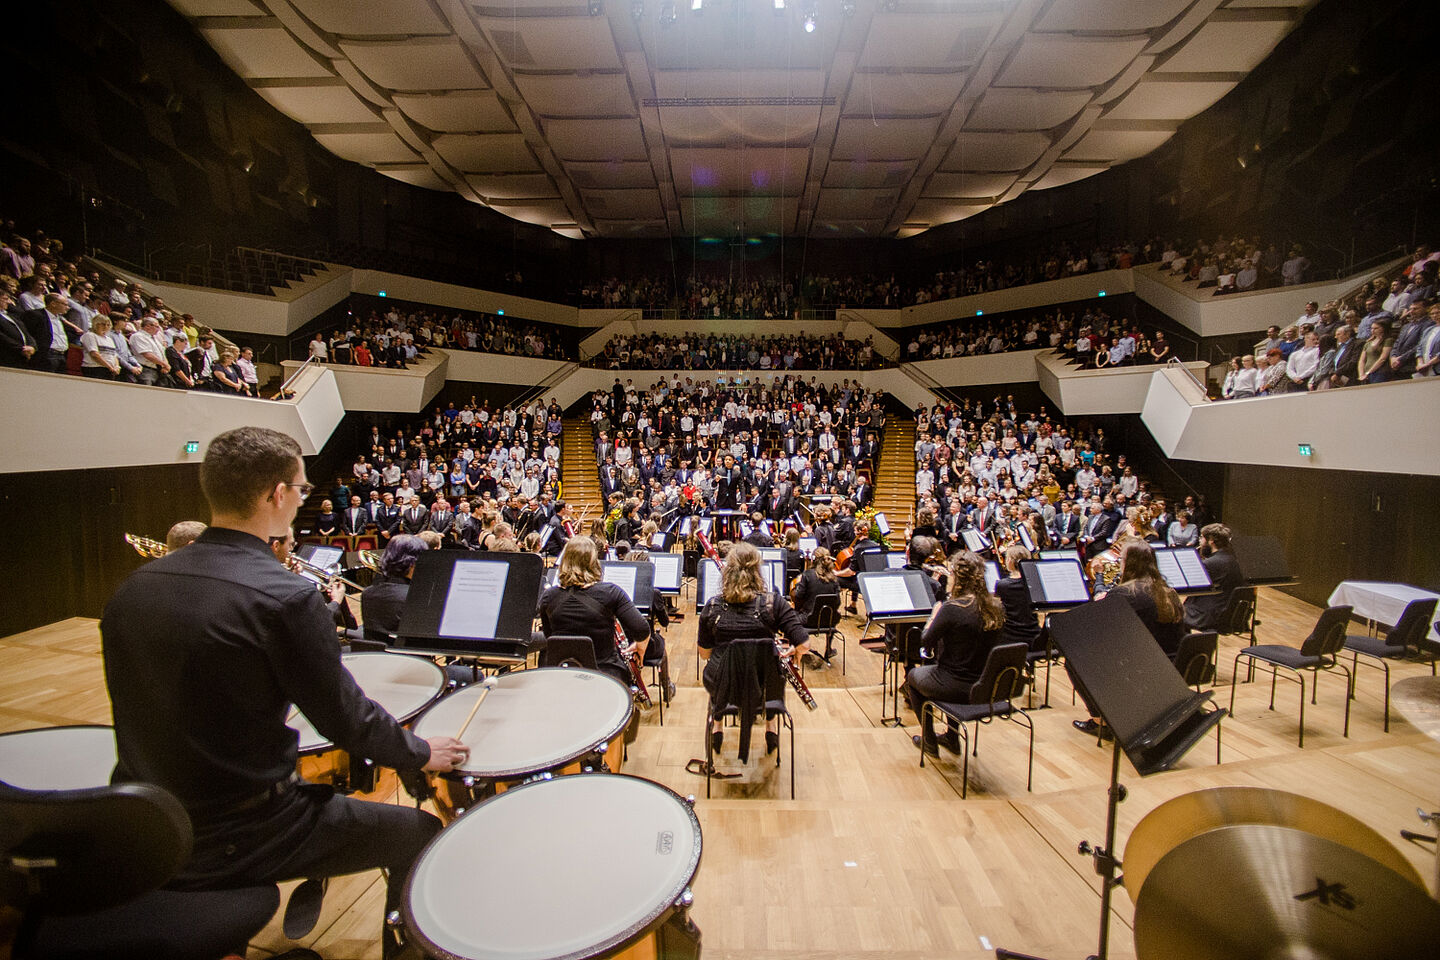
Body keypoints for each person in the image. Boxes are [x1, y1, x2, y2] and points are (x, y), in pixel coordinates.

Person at [100, 427, 468, 960]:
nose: (302, 497)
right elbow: (345, 719)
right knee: (418, 829)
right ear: (276, 494)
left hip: (147, 820)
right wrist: (419, 751)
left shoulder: (134, 588)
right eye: (299, 487)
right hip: (243, 828)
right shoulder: (285, 596)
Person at [697, 542, 810, 755]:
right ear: (758, 571)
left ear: (727, 572)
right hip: (764, 688)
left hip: (723, 686)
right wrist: (795, 651)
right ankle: (770, 725)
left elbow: (705, 654)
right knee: (771, 674)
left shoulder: (712, 606)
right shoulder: (774, 603)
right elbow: (804, 644)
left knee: (719, 672)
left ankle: (717, 724)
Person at [1072, 542, 1186, 738]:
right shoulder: (1169, 591)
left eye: (1121, 560)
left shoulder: (1125, 593)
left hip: (1142, 667)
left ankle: (1102, 722)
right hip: (1172, 663)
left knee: (1074, 661)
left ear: (1129, 564)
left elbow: (1101, 615)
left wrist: (1099, 576)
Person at [901, 550, 1004, 755]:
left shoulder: (952, 608)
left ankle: (929, 741)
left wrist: (934, 615)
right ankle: (951, 737)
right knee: (947, 670)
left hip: (957, 685)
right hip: (986, 685)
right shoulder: (996, 606)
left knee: (913, 678)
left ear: (956, 577)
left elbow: (925, 640)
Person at [538, 536, 650, 689]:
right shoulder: (611, 592)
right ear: (594, 561)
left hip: (561, 672)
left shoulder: (549, 596)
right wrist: (640, 648)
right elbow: (642, 629)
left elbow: (549, 635)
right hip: (605, 674)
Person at [359, 534, 428, 647]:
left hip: (376, 658)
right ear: (412, 563)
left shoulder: (367, 593)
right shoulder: (415, 597)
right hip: (410, 661)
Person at [1182, 522, 1244, 631]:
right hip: (1228, 611)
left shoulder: (1209, 563)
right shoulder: (1234, 560)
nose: (1200, 541)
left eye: (1202, 538)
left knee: (1175, 612)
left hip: (1208, 614)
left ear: (1211, 541)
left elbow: (1189, 587)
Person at [791, 546, 841, 663]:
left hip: (809, 619)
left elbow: (798, 596)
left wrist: (798, 587)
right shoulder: (834, 578)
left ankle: (794, 652)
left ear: (813, 560)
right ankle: (828, 649)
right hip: (830, 621)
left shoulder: (808, 575)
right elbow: (837, 602)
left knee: (789, 616)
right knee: (829, 615)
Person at [994, 544, 1043, 654]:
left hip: (1011, 636)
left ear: (1011, 561)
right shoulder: (1035, 583)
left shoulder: (1003, 585)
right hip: (1034, 634)